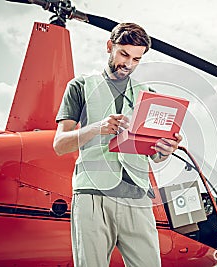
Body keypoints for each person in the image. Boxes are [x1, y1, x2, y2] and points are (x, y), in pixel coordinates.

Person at [53, 22, 182, 267]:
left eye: (136, 59)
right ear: (109, 46)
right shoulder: (80, 87)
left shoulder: (148, 94)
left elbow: (154, 156)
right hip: (92, 196)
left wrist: (165, 150)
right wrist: (97, 128)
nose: (128, 64)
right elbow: (60, 144)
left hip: (137, 197)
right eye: (124, 54)